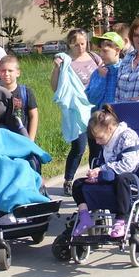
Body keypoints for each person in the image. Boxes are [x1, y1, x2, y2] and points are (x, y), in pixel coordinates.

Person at [71, 105, 139, 239]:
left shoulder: (127, 136)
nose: (97, 142)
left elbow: (128, 164)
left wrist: (102, 170)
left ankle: (121, 220)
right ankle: (85, 217)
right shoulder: (107, 139)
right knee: (78, 184)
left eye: (99, 138)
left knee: (121, 179)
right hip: (109, 175)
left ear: (110, 128)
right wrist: (95, 173)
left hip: (130, 176)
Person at [51, 28, 101, 194]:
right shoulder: (65, 61)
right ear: (69, 45)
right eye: (76, 44)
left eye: (83, 43)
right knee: (79, 146)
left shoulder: (95, 58)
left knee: (97, 145)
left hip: (95, 106)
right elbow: (55, 87)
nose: (80, 47)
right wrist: (57, 69)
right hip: (77, 109)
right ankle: (68, 180)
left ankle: (94, 178)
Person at [85, 31, 125, 162]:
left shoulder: (124, 70)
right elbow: (91, 98)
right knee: (96, 156)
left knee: (118, 156)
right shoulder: (98, 72)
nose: (101, 55)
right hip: (99, 122)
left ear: (117, 50)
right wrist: (101, 78)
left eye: (105, 51)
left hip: (117, 122)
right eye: (100, 51)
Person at [0, 55, 39, 141]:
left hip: (23, 139)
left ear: (18, 73)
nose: (6, 74)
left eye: (10, 71)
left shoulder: (26, 92)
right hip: (4, 140)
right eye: (3, 71)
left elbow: (34, 116)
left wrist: (31, 140)